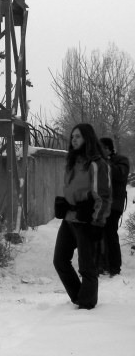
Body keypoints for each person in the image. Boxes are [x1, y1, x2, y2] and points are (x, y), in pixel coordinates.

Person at [52, 123, 111, 309]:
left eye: (78, 136)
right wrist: (64, 202)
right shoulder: (72, 161)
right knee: (60, 260)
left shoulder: (97, 164)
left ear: (88, 138)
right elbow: (71, 188)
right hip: (69, 218)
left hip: (86, 221)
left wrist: (97, 222)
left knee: (87, 267)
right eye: (72, 137)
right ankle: (79, 298)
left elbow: (104, 196)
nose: (74, 140)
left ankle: (87, 305)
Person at [98, 136, 130, 276]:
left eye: (102, 148)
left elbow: (120, 174)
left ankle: (114, 267)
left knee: (110, 234)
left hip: (114, 204)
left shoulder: (121, 160)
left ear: (108, 149)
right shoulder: (99, 162)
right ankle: (102, 264)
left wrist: (105, 163)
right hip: (100, 204)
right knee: (99, 234)